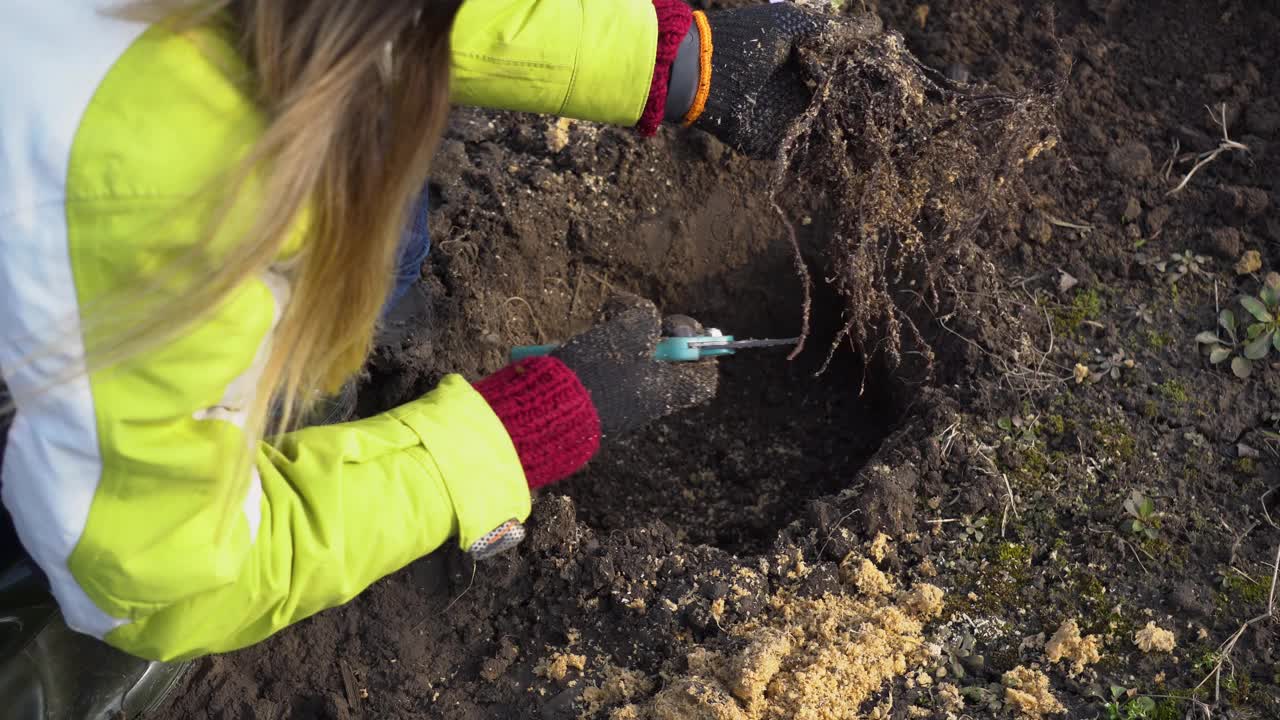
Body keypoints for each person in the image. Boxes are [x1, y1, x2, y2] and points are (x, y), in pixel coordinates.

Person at [0, 0, 834, 715]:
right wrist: (503, 438)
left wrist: (659, 63)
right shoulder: (160, 203)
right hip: (90, 283)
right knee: (101, 589)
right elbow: (163, 579)